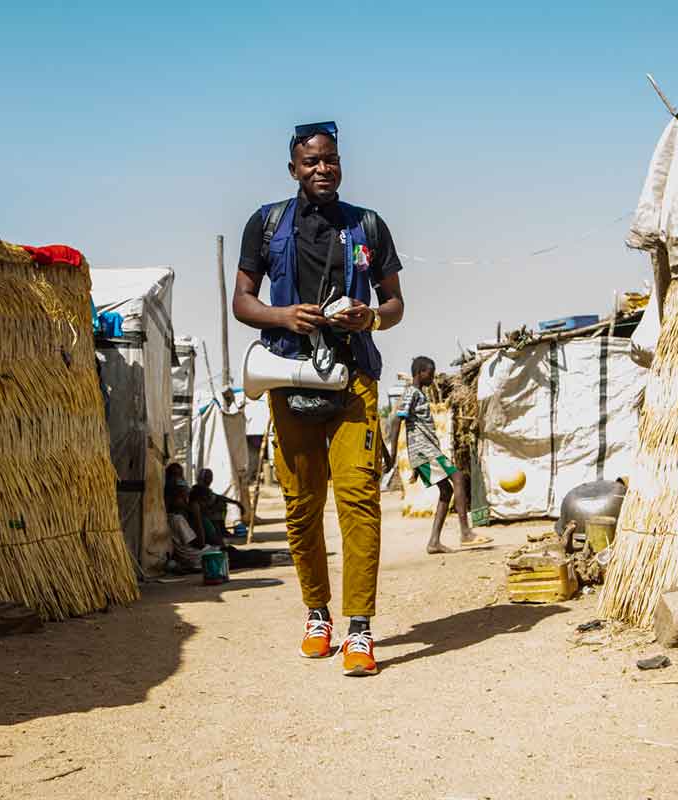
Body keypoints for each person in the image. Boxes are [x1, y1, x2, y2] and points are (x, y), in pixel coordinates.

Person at [232, 120, 405, 676]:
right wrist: (284, 315)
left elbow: (396, 302)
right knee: (302, 504)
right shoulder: (266, 224)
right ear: (294, 170)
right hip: (288, 375)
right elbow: (242, 301)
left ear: (340, 164)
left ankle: (359, 628)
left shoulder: (368, 226)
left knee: (359, 499)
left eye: (330, 159)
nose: (322, 169)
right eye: (311, 162)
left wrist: (370, 316)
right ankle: (317, 614)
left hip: (353, 376)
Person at [390, 356, 492, 554]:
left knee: (446, 492)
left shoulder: (419, 394)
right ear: (420, 372)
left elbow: (414, 426)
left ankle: (434, 542)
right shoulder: (412, 393)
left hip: (425, 450)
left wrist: (415, 463)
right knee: (459, 479)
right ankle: (465, 533)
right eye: (430, 371)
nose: (433, 376)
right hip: (424, 450)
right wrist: (394, 454)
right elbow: (396, 420)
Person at [194, 469, 243, 541]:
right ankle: (219, 530)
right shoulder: (198, 490)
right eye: (208, 477)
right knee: (220, 505)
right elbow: (203, 506)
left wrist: (235, 502)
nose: (210, 479)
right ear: (202, 478)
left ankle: (221, 529)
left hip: (209, 512)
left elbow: (218, 497)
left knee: (222, 504)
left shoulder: (206, 490)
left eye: (211, 477)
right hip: (204, 515)